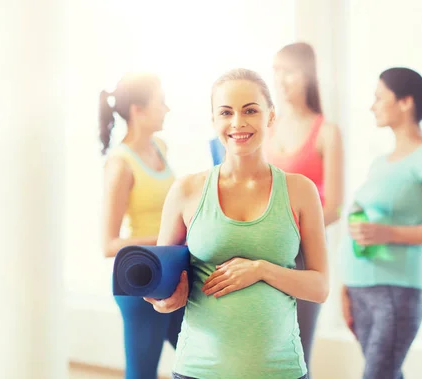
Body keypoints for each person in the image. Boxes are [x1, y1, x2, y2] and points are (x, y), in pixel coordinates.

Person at [144, 68, 330, 379]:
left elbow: (320, 287)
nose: (238, 123)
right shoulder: (186, 191)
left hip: (281, 370)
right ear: (214, 121)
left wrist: (261, 269)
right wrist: (165, 300)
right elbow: (164, 286)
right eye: (226, 112)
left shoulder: (300, 191)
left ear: (270, 116)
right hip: (198, 370)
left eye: (250, 111)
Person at [341, 67, 422, 379]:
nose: (373, 105)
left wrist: (387, 233)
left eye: (380, 98)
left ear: (406, 102)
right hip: (360, 289)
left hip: (395, 292)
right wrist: (346, 286)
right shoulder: (379, 163)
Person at [99, 72, 184, 379]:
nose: (167, 109)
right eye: (161, 102)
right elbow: (108, 244)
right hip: (139, 281)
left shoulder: (160, 146)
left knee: (203, 361)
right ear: (138, 110)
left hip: (171, 276)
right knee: (142, 373)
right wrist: (166, 240)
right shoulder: (120, 164)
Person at [266, 42, 344, 369]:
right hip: (264, 248)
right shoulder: (267, 126)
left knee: (297, 352)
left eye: (290, 73)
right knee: (263, 349)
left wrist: (295, 233)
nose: (282, 82)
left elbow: (335, 207)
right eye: (277, 73)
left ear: (308, 76)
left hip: (304, 253)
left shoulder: (327, 132)